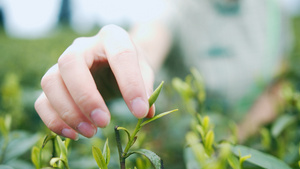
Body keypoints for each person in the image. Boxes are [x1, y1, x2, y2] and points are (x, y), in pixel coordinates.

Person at [34, 0, 290, 142]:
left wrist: (231, 143)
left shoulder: (274, 13)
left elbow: (277, 86)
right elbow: (148, 39)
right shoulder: (175, 7)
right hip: (175, 146)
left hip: (249, 141)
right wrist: (125, 58)